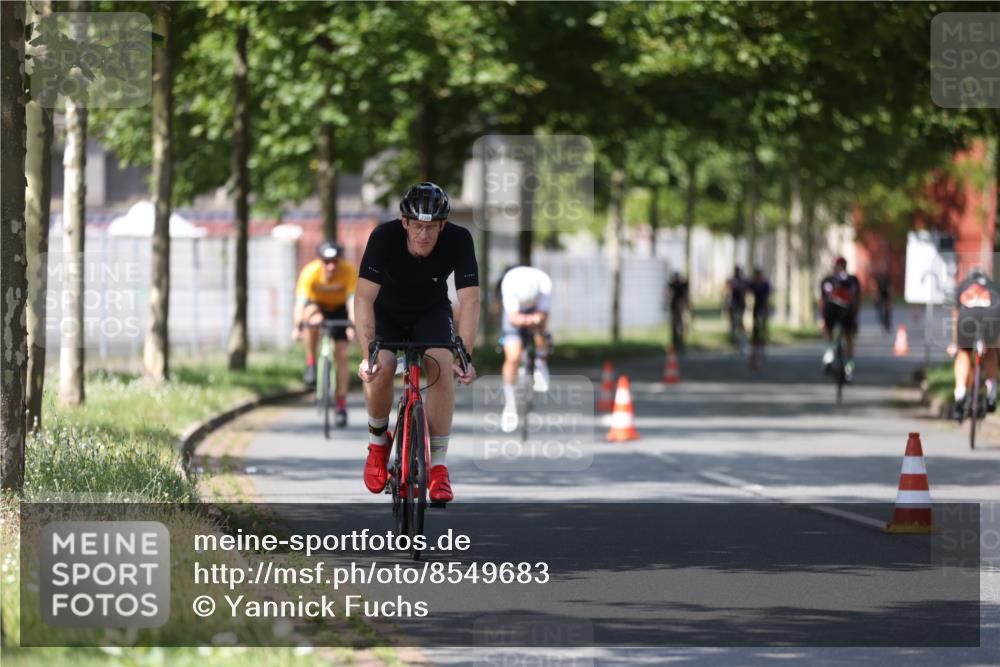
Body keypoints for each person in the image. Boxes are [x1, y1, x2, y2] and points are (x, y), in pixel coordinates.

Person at [355, 182, 479, 503]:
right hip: (386, 311)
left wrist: (465, 354)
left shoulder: (459, 239)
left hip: (430, 311)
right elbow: (363, 297)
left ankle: (438, 467)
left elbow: (470, 300)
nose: (424, 234)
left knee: (441, 364)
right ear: (405, 222)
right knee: (381, 368)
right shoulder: (383, 237)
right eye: (417, 226)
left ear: (442, 225)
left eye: (431, 227)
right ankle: (378, 444)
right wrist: (367, 354)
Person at [291, 241, 357, 426]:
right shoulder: (310, 272)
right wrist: (297, 327)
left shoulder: (348, 271)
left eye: (335, 261)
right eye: (326, 262)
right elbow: (300, 303)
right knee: (312, 319)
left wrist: (352, 325)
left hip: (340, 310)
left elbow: (352, 302)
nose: (331, 266)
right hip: (317, 307)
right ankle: (311, 363)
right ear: (320, 261)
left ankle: (341, 404)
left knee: (341, 355)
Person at [498, 265, 553, 433]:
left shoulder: (544, 284)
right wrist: (528, 320)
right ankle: (510, 403)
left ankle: (541, 363)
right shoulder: (508, 284)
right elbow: (513, 318)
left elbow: (543, 314)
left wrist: (536, 320)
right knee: (513, 357)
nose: (527, 305)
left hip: (536, 311)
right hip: (515, 314)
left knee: (541, 329)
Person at [948, 267, 1000, 419]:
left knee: (964, 351)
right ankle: (991, 392)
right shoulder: (993, 285)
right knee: (991, 350)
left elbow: (956, 314)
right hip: (992, 316)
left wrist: (955, 343)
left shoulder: (962, 285)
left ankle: (960, 394)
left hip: (967, 317)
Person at [819, 256, 861, 381]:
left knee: (827, 328)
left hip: (831, 310)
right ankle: (849, 368)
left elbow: (822, 301)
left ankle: (829, 352)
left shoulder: (827, 280)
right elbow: (857, 301)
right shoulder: (853, 280)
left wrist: (822, 318)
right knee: (849, 338)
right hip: (848, 311)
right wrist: (855, 317)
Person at [748, 268, 772, 370]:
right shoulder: (752, 284)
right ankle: (756, 349)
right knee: (756, 330)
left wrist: (766, 309)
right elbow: (747, 294)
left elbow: (767, 298)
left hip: (763, 309)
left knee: (763, 328)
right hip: (755, 310)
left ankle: (762, 346)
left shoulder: (765, 285)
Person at [725, 266, 748, 349]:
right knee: (733, 322)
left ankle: (742, 339)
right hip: (733, 305)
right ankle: (734, 339)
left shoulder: (742, 281)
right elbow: (728, 292)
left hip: (739, 305)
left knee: (740, 322)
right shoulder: (732, 281)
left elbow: (743, 293)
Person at [666, 271, 689, 352]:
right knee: (674, 325)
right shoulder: (672, 285)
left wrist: (683, 304)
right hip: (674, 307)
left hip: (680, 307)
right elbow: (667, 293)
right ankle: (674, 342)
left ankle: (680, 341)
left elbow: (685, 295)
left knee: (681, 324)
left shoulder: (681, 286)